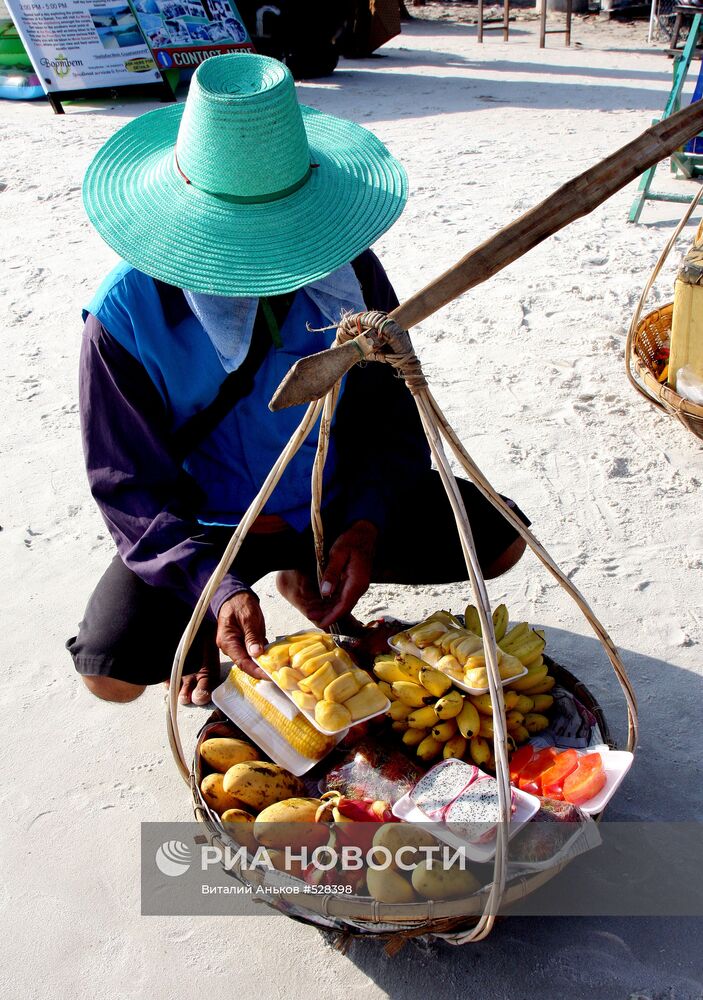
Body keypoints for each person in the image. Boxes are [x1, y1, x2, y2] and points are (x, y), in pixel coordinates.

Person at [67, 54, 528, 707]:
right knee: (109, 673)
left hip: (328, 499)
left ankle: (300, 569)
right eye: (238, 242)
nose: (265, 267)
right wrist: (212, 587)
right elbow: (127, 483)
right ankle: (244, 588)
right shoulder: (125, 318)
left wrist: (364, 523)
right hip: (213, 525)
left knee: (499, 538)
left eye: (278, 239)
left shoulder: (348, 275)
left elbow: (389, 423)